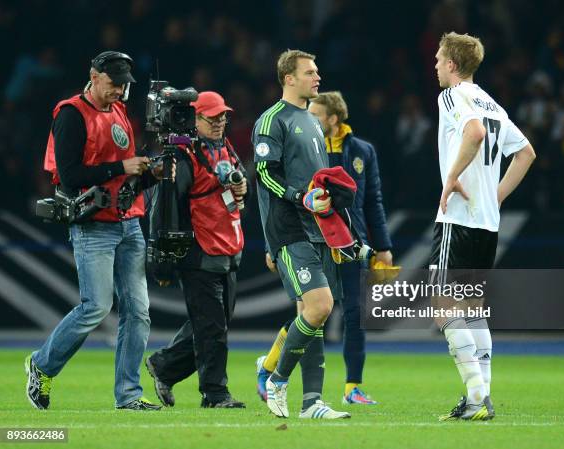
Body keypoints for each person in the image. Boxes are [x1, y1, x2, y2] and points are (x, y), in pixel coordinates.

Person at [26, 51, 163, 410]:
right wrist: (121, 165)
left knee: (139, 312)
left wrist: (150, 174)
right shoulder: (71, 113)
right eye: (114, 82)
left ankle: (129, 396)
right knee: (96, 307)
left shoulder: (119, 113)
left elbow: (126, 178)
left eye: (124, 83)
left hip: (129, 222)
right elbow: (69, 176)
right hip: (93, 226)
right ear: (94, 75)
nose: (120, 89)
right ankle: (41, 365)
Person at [256, 91, 393, 405]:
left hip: (349, 241)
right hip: (309, 236)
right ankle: (270, 366)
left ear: (334, 118)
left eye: (317, 114)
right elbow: (275, 198)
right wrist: (271, 244)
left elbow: (373, 201)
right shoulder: (305, 146)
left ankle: (351, 387)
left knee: (355, 314)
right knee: (311, 312)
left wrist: (382, 246)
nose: (310, 119)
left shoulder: (362, 151)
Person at [430, 32, 536, 421]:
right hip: (487, 224)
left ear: (453, 65)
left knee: (444, 308)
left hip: (457, 218)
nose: (436, 65)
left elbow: (473, 133)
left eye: (440, 59)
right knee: (473, 308)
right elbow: (526, 154)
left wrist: (451, 177)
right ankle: (483, 398)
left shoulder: (452, 95)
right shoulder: (492, 103)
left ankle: (475, 397)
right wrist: (496, 196)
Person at [252, 49, 350, 419]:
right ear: (288, 78)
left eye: (317, 70)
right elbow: (263, 173)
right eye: (310, 72)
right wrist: (300, 198)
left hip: (316, 229)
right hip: (289, 227)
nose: (317, 76)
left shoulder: (311, 121)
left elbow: (319, 181)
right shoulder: (271, 120)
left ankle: (312, 403)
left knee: (313, 315)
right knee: (320, 306)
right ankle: (276, 378)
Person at [145, 92, 247, 409]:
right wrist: (163, 258)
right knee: (212, 327)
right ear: (195, 119)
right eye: (211, 118)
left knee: (212, 324)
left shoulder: (225, 148)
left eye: (222, 117)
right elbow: (166, 208)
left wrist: (243, 187)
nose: (218, 123)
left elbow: (239, 189)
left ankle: (164, 365)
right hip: (200, 253)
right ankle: (215, 393)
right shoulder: (184, 157)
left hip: (228, 249)